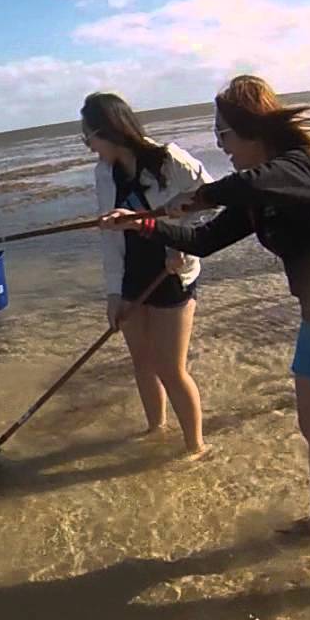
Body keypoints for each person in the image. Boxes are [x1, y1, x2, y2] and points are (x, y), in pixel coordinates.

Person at [100, 75, 310, 592]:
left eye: (224, 137)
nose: (221, 148)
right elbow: (206, 240)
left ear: (251, 130)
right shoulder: (258, 191)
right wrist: (142, 224)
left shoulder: (303, 169)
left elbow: (246, 186)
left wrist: (198, 193)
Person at [81, 90, 213, 457]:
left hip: (171, 272)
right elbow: (109, 237)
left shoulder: (168, 158)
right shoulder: (104, 173)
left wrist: (180, 245)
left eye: (88, 137)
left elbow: (212, 198)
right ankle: (156, 430)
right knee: (142, 361)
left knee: (171, 368)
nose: (89, 147)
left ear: (108, 130)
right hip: (132, 275)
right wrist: (112, 294)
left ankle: (196, 448)